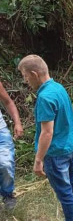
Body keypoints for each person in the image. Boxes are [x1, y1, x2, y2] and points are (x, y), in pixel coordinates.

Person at [18, 55, 73, 221]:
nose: (26, 81)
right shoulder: (58, 87)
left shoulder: (45, 98)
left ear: (34, 74)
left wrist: (39, 159)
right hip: (71, 146)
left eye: (25, 76)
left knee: (64, 191)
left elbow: (47, 132)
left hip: (56, 152)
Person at [0, 81, 23, 210]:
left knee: (5, 163)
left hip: (1, 132)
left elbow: (8, 102)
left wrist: (17, 123)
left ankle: (8, 194)